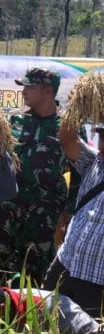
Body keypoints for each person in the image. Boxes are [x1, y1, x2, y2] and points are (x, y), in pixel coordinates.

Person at [0, 67, 68, 283]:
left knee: (36, 274)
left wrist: (69, 213)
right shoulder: (14, 120)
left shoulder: (67, 127)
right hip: (9, 209)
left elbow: (77, 173)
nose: (24, 91)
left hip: (44, 213)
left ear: (48, 91)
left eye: (30, 87)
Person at [42, 123, 104, 316]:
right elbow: (67, 137)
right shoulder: (93, 162)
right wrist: (78, 108)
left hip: (97, 282)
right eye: (102, 136)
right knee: (43, 322)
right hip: (65, 265)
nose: (102, 143)